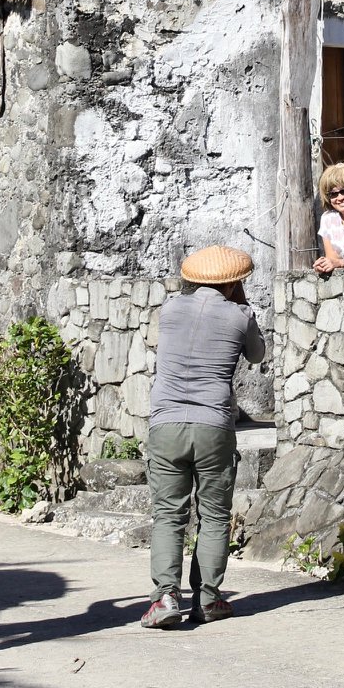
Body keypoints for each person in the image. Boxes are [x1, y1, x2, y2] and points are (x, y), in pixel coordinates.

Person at [141, 245, 266, 630]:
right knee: (213, 515)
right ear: (234, 283)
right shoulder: (240, 315)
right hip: (213, 426)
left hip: (166, 425)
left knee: (168, 514)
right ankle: (208, 599)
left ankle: (165, 598)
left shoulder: (169, 309)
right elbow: (257, 355)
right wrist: (243, 305)